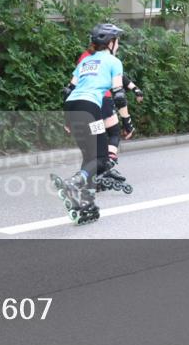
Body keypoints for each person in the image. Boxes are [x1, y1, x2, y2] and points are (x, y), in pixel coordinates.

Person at [55, 23, 135, 225]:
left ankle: (87, 206)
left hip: (73, 107)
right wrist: (127, 122)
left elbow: (67, 90)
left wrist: (67, 120)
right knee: (100, 160)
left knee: (91, 158)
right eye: (118, 41)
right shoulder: (113, 61)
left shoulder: (85, 62)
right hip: (90, 108)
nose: (118, 45)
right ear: (110, 43)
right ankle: (74, 183)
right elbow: (118, 94)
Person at [72, 45, 142, 191]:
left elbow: (73, 84)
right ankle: (106, 165)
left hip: (82, 105)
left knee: (93, 143)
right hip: (102, 101)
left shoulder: (85, 58)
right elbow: (118, 80)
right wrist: (134, 90)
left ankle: (91, 178)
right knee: (114, 133)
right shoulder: (108, 59)